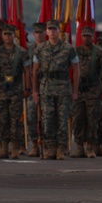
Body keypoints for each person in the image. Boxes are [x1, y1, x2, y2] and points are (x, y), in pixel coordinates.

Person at [32, 19, 79, 160]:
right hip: (46, 88)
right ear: (46, 32)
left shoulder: (68, 49)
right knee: (47, 120)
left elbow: (76, 70)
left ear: (59, 31)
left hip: (63, 88)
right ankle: (50, 148)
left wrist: (75, 91)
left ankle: (61, 149)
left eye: (55, 29)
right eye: (50, 29)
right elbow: (34, 71)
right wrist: (35, 91)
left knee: (62, 121)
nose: (52, 32)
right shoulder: (40, 49)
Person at [0, 24, 31, 159]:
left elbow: (27, 71)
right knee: (3, 120)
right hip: (2, 89)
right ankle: (3, 147)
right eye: (5, 34)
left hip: (16, 90)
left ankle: (15, 148)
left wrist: (27, 88)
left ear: (14, 35)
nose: (7, 37)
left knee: (15, 121)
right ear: (2, 36)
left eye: (10, 34)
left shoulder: (22, 52)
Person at [71, 27, 102, 158]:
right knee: (78, 119)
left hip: (93, 90)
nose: (86, 38)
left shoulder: (100, 53)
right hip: (79, 91)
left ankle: (90, 147)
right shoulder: (75, 51)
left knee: (92, 120)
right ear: (81, 37)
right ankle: (79, 147)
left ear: (92, 37)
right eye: (84, 36)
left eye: (89, 36)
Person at [25, 22, 47, 157]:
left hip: (48, 87)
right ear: (33, 34)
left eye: (41, 32)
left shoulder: (50, 48)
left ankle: (48, 144)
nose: (39, 35)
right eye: (36, 33)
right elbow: (25, 70)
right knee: (31, 116)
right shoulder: (28, 50)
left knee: (48, 118)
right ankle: (34, 144)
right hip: (32, 88)